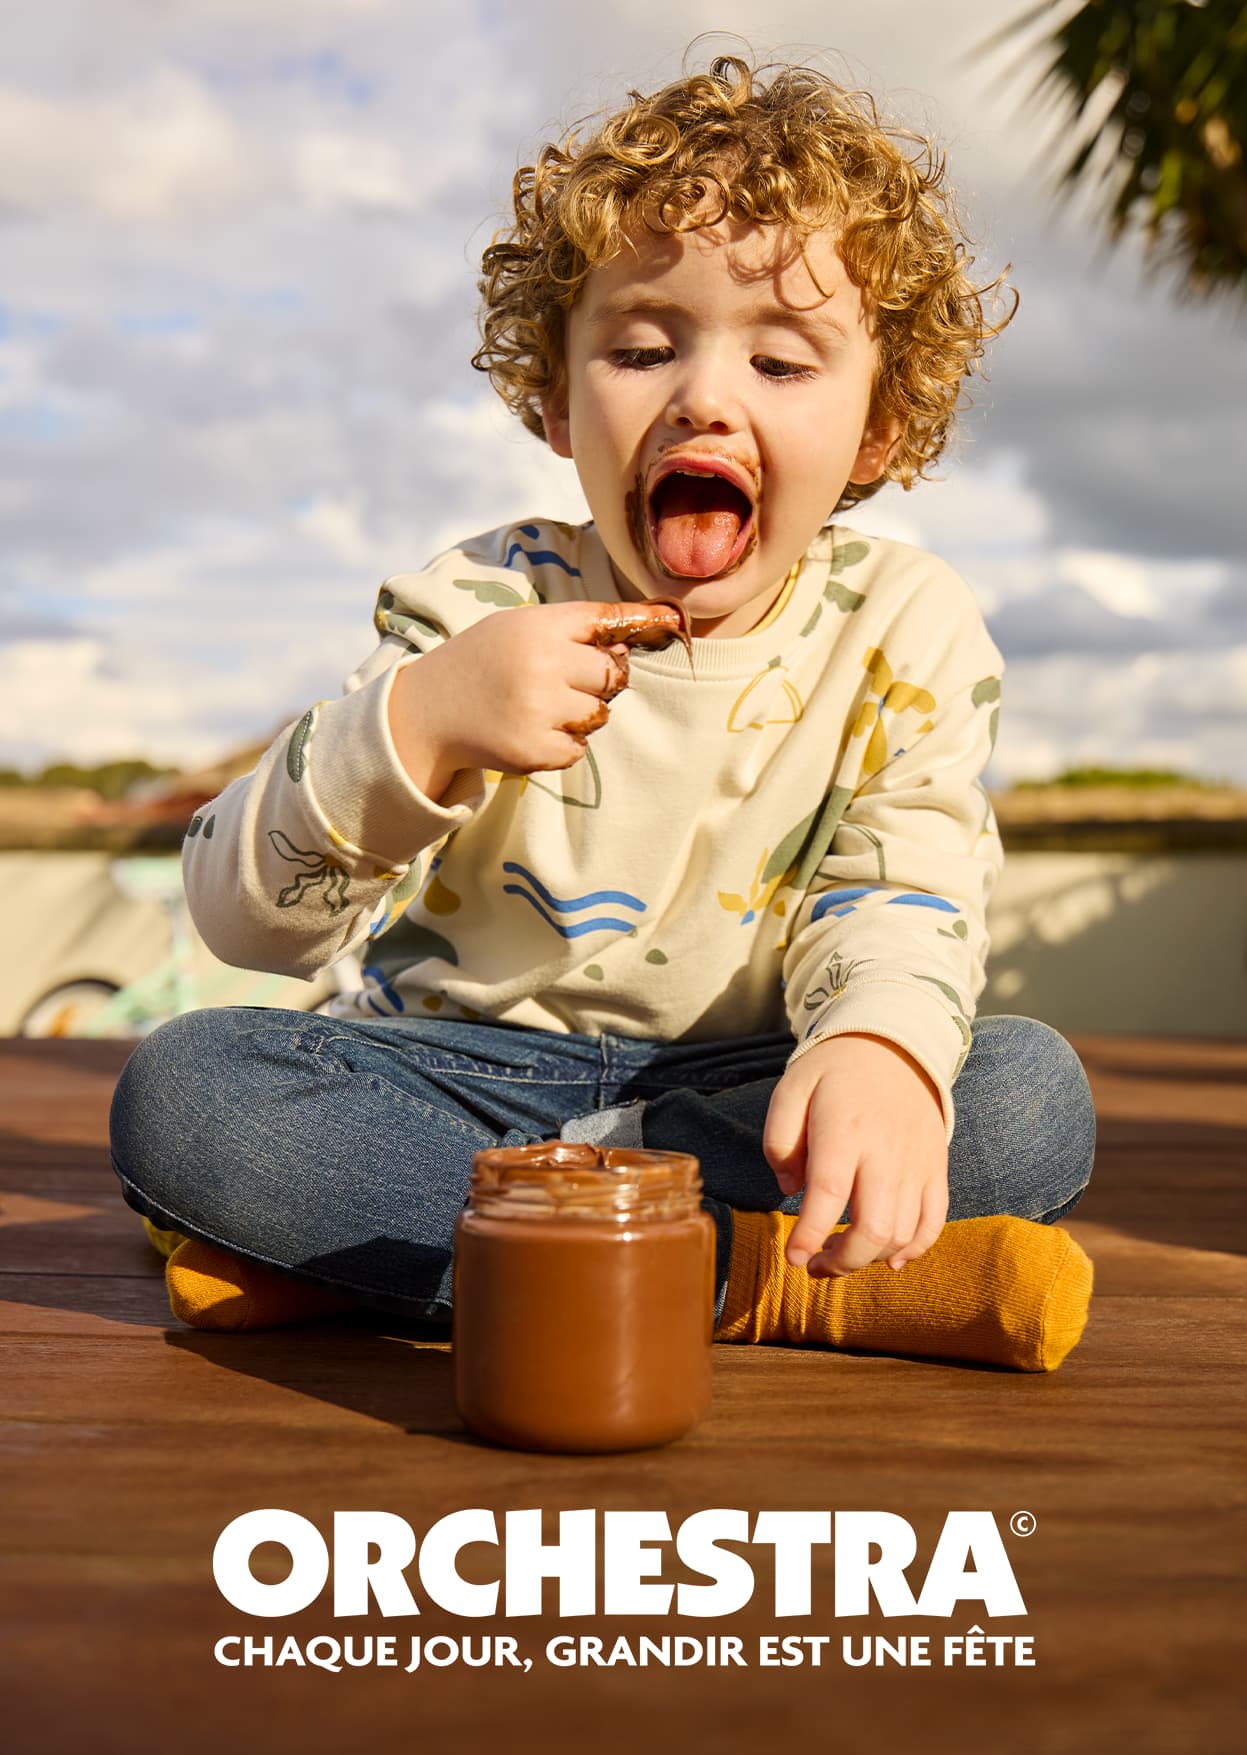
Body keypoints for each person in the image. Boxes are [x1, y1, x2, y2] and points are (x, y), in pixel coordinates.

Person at [110, 51, 1097, 1368]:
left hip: (741, 1090)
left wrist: (878, 1049)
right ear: (555, 398)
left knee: (1028, 1095)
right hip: (457, 1077)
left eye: (782, 361)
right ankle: (768, 1284)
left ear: (879, 426)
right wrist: (420, 725)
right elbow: (247, 921)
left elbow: (904, 881)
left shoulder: (904, 625)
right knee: (189, 1094)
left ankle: (403, 1262)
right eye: (640, 349)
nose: (705, 398)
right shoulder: (478, 602)